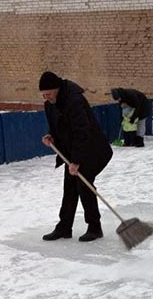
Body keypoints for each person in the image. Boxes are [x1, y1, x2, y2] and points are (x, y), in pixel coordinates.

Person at [39, 71, 114, 242]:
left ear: (57, 89)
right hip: (74, 151)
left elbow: (82, 131)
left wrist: (77, 161)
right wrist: (51, 136)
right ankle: (64, 227)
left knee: (84, 184)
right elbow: (59, 127)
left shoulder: (74, 100)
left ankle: (95, 227)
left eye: (48, 93)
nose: (46, 97)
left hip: (93, 149)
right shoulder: (50, 104)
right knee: (70, 188)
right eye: (43, 94)